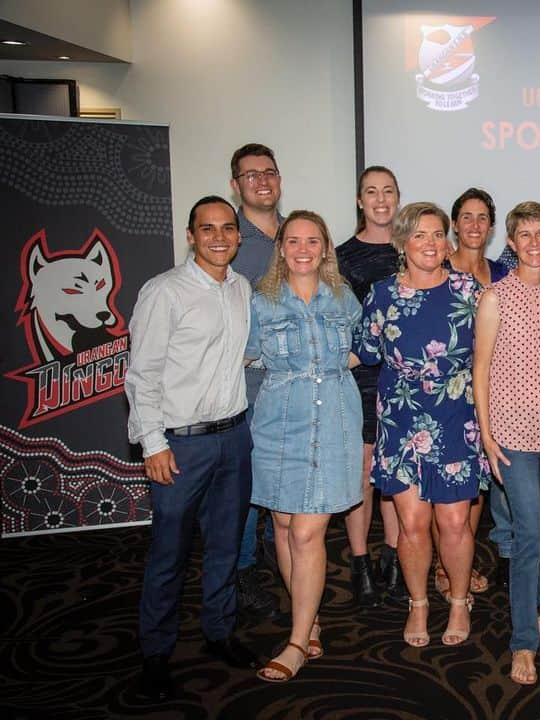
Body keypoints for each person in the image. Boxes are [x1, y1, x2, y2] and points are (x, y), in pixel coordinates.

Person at [126, 196, 258, 702]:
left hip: (234, 437)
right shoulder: (165, 292)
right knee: (169, 553)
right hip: (181, 445)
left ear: (239, 236)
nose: (220, 237)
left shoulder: (242, 288)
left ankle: (219, 632)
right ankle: (155, 652)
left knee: (226, 545)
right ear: (191, 235)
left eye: (227, 228)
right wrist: (152, 443)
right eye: (208, 229)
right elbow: (142, 376)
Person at [356, 202, 488, 647]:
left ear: (447, 242)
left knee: (453, 523)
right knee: (411, 523)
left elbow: (497, 353)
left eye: (437, 235)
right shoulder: (381, 295)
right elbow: (361, 352)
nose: (430, 244)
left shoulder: (471, 290)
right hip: (401, 418)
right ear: (402, 242)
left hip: (456, 417)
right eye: (419, 235)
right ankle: (418, 604)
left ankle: (456, 600)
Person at [247, 210, 364, 682]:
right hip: (278, 423)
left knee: (306, 532)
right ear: (281, 248)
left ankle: (296, 643)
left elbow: (362, 346)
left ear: (324, 248)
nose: (301, 249)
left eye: (311, 241)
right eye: (292, 240)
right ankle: (308, 617)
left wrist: (333, 375)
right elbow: (246, 358)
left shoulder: (343, 297)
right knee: (282, 521)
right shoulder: (259, 302)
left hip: (333, 422)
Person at [474, 201, 540, 685]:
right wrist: (486, 437)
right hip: (510, 435)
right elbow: (481, 369)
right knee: (529, 533)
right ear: (510, 243)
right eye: (524, 235)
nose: (533, 242)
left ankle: (532, 614)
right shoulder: (495, 296)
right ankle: (523, 643)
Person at [336, 165, 407, 607]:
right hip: (360, 376)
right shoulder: (340, 256)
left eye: (388, 191)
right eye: (371, 192)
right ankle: (361, 564)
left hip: (405, 378)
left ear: (398, 197)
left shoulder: (416, 247)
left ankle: (394, 560)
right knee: (363, 473)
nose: (380, 199)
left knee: (396, 475)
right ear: (360, 200)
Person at [437, 187, 510, 594]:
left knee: (477, 483)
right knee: (447, 489)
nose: (475, 225)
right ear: (454, 223)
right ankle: (443, 568)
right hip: (448, 393)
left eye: (483, 218)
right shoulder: (439, 270)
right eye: (467, 217)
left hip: (490, 390)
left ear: (492, 226)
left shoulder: (501, 274)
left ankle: (457, 561)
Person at [229, 142, 285, 620]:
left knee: (277, 475)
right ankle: (241, 571)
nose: (262, 181)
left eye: (269, 172)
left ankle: (260, 547)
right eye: (251, 175)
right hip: (245, 385)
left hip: (290, 385)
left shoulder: (297, 235)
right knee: (244, 483)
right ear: (236, 185)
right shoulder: (229, 240)